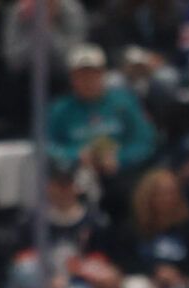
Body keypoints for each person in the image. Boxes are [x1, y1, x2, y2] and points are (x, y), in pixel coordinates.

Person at [47, 44, 158, 184]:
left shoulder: (124, 102)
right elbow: (47, 145)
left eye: (93, 74)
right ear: (72, 78)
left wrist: (120, 157)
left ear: (103, 74)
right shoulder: (60, 109)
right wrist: (75, 154)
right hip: (75, 176)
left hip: (122, 176)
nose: (88, 80)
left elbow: (145, 141)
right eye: (82, 75)